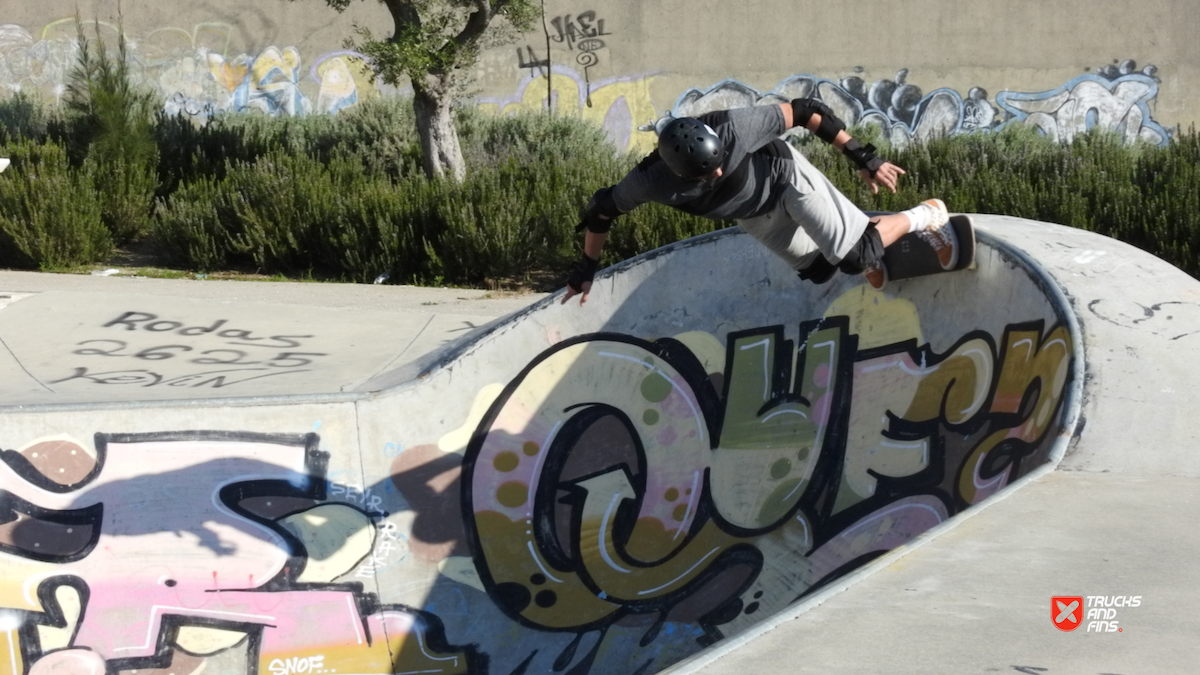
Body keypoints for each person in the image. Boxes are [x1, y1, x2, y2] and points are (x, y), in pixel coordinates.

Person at [561, 99, 958, 304]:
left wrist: (865, 157)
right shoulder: (647, 183)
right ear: (677, 173)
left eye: (719, 164)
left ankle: (926, 214)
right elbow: (600, 212)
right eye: (705, 174)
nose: (717, 173)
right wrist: (587, 267)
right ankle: (867, 238)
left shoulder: (733, 128)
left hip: (785, 179)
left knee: (854, 259)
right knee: (820, 269)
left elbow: (806, 110)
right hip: (752, 214)